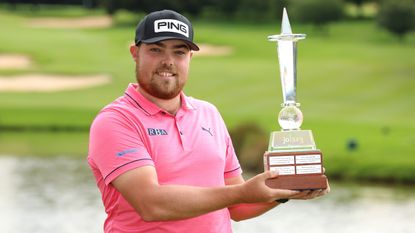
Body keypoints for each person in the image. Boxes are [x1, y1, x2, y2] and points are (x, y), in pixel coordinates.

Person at [88, 9, 329, 233]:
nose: (168, 61)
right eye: (156, 49)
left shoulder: (208, 113)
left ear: (190, 57)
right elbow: (151, 204)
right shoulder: (115, 121)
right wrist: (241, 192)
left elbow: (238, 207)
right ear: (135, 53)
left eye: (179, 52)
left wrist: (287, 189)